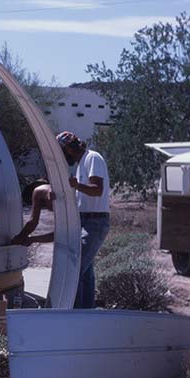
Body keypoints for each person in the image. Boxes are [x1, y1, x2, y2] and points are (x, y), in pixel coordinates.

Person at [56, 131, 110, 308]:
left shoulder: (92, 158)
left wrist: (77, 185)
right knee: (86, 274)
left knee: (75, 270)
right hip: (85, 221)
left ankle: (75, 313)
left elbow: (97, 190)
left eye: (62, 153)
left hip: (94, 222)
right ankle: (87, 311)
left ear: (68, 149)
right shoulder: (81, 164)